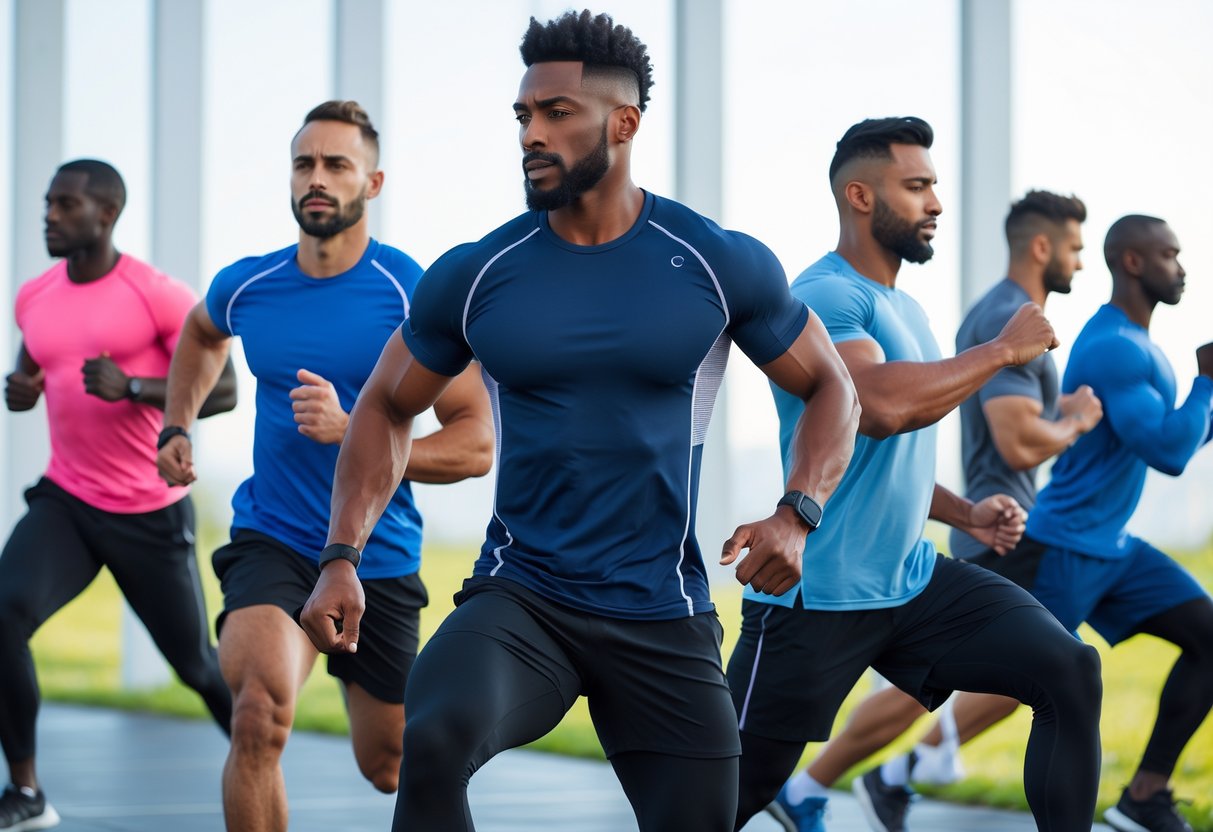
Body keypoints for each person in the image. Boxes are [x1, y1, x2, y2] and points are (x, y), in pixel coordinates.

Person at [298, 11, 859, 832]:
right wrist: (341, 554)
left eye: (557, 112)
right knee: (434, 731)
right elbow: (386, 403)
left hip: (660, 610)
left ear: (622, 123)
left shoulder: (713, 258)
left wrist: (797, 511)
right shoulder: (480, 271)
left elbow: (833, 388)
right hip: (524, 598)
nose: (532, 132)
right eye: (524, 115)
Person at [728, 118, 1104, 832]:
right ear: (861, 197)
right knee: (715, 802)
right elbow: (874, 408)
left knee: (1067, 669)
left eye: (933, 185)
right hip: (817, 598)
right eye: (917, 186)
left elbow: (879, 463)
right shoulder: (825, 295)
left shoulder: (907, 308)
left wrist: (964, 515)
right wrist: (1000, 350)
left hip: (909, 581)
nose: (935, 203)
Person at [157, 101, 494, 832]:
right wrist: (176, 420)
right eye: (304, 163)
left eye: (336, 165)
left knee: (389, 766)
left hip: (378, 555)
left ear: (371, 183)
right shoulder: (250, 285)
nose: (317, 178)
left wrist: (354, 434)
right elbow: (200, 330)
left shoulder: (411, 293)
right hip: (273, 538)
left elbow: (474, 443)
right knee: (255, 715)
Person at [0, 159, 237, 831]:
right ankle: (26, 792)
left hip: (147, 509)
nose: (49, 214)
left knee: (195, 665)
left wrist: (133, 388)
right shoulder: (35, 296)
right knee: (3, 614)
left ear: (106, 214)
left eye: (65, 204)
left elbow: (224, 390)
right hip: (67, 501)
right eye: (47, 203)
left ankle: (257, 763)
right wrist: (22, 391)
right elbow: (33, 371)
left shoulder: (155, 294)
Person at [1027, 216, 1210, 832]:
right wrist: (1208, 380)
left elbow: (1180, 433)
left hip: (1114, 547)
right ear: (1132, 262)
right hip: (1066, 544)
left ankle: (1144, 796)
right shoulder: (1115, 347)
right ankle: (895, 768)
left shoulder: (1141, 346)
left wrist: (1206, 396)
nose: (1181, 268)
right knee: (1014, 680)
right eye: (1170, 255)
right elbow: (1171, 452)